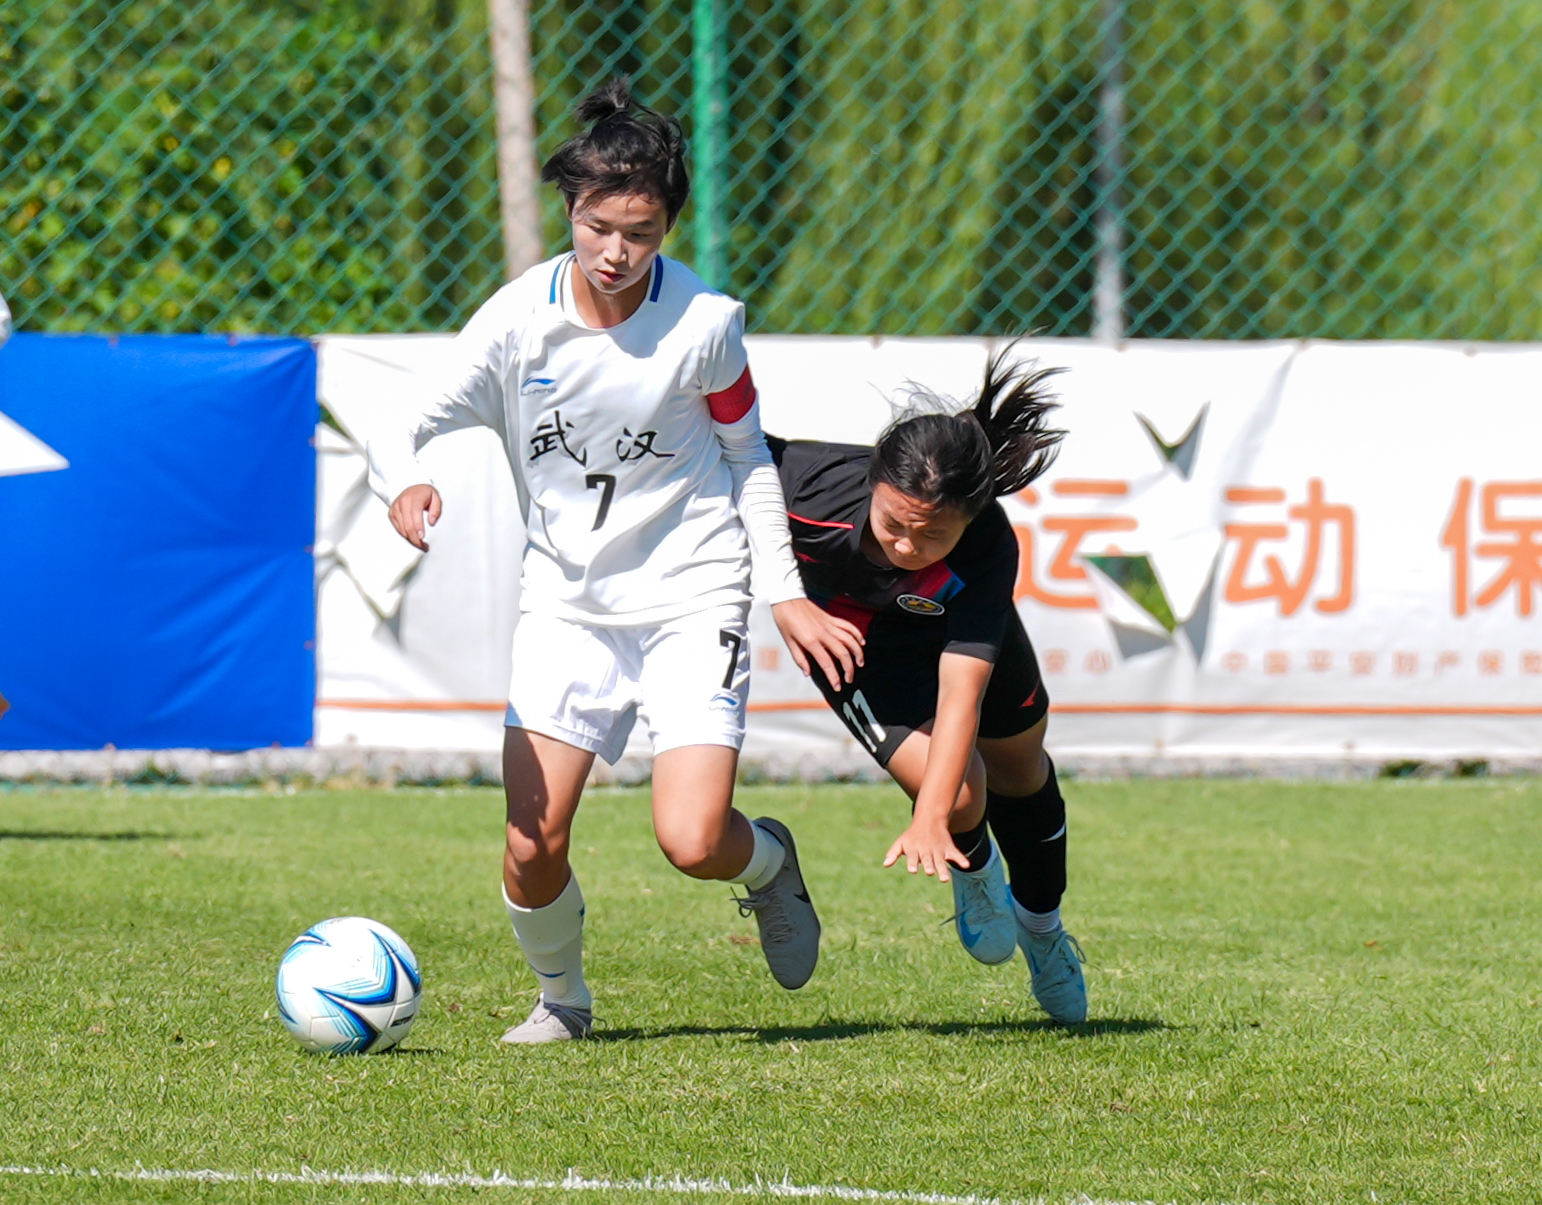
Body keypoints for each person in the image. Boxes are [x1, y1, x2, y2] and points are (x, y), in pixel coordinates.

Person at [368, 79, 864, 1043]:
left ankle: (764, 864)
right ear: (571, 211)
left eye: (639, 231)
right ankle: (563, 998)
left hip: (691, 592)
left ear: (669, 221)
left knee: (689, 840)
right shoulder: (516, 323)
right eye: (598, 226)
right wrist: (408, 479)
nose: (614, 251)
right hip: (566, 605)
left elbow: (748, 456)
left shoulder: (706, 326)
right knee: (528, 841)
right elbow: (409, 416)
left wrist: (787, 596)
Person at [768, 348, 1087, 1024]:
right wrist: (783, 602)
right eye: (892, 525)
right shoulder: (802, 483)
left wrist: (925, 817)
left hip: (952, 647)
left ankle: (1045, 933)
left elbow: (960, 694)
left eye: (932, 533)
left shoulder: (987, 546)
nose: (907, 547)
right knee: (963, 790)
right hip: (860, 647)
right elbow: (715, 448)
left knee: (1019, 768)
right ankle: (976, 875)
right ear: (873, 481)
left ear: (969, 519)